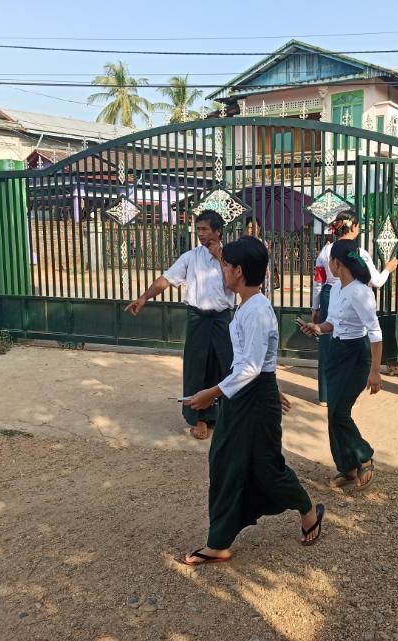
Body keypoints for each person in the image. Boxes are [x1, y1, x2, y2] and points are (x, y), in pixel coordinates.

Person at [182, 236, 325, 565]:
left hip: (254, 398)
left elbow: (251, 367)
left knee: (266, 467)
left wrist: (212, 392)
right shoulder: (246, 306)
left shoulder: (257, 310)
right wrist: (269, 385)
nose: (221, 270)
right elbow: (256, 361)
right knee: (224, 461)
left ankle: (307, 509)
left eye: (225, 265)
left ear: (238, 271)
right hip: (248, 394)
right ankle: (218, 543)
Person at [125, 210, 234, 440]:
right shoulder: (190, 257)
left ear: (218, 231)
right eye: (198, 229)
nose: (200, 233)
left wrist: (221, 258)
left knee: (225, 366)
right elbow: (166, 279)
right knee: (196, 368)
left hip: (222, 320)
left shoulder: (232, 257)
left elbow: (235, 285)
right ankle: (200, 418)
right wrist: (144, 298)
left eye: (205, 229)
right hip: (197, 319)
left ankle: (227, 416)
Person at [301, 239, 382, 489]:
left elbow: (375, 333)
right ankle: (346, 467)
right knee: (333, 413)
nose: (328, 266)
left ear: (337, 263)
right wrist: (317, 327)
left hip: (356, 355)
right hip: (336, 352)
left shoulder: (360, 292)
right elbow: (333, 323)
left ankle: (364, 456)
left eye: (330, 262)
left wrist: (375, 371)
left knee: (339, 412)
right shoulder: (336, 288)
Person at [310, 209, 398, 405]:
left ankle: (326, 395)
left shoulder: (325, 250)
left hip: (328, 294)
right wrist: (388, 269)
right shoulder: (358, 253)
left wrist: (315, 307)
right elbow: (376, 281)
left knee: (327, 347)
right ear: (354, 227)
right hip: (344, 294)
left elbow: (318, 281)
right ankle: (343, 393)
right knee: (348, 338)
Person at [244, 216, 272, 295]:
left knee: (264, 298)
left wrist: (268, 253)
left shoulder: (263, 243)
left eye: (255, 227)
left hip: (264, 279)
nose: (252, 230)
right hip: (249, 280)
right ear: (246, 229)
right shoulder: (244, 243)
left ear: (259, 228)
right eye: (250, 227)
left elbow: (266, 261)